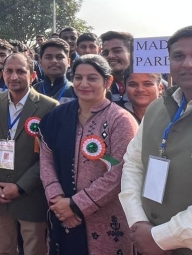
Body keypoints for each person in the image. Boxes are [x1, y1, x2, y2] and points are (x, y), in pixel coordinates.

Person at [120, 25, 192, 255]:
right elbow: (133, 164)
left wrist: (161, 238)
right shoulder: (157, 107)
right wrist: (138, 223)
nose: (187, 64)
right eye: (178, 56)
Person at [39, 55, 138, 255]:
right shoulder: (59, 115)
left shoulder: (121, 120)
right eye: (78, 77)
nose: (83, 84)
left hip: (105, 216)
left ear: (107, 81)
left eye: (92, 78)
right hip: (62, 212)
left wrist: (76, 205)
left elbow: (120, 171)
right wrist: (57, 199)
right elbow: (46, 156)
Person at [0, 53, 57, 255]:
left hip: (31, 195)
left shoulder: (49, 107)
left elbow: (49, 156)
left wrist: (21, 187)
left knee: (35, 250)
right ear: (3, 74)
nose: (14, 76)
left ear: (32, 75)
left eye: (20, 71)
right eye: (9, 71)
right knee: (2, 250)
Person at [33, 38, 77, 104]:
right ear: (40, 62)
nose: (54, 61)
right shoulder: (33, 91)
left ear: (68, 62)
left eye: (59, 57)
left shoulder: (76, 91)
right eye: (48, 57)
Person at [100, 31, 133, 107]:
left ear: (131, 53)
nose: (110, 56)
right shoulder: (99, 85)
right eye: (105, 53)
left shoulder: (151, 84)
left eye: (117, 51)